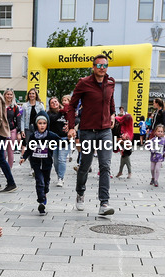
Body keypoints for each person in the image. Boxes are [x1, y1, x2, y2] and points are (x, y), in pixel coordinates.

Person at [67, 55, 116, 215]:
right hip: (87, 131)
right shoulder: (84, 83)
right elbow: (72, 106)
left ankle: (104, 203)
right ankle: (80, 193)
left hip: (105, 131)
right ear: (93, 67)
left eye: (105, 65)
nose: (102, 68)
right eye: (99, 65)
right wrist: (71, 127)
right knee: (85, 166)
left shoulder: (111, 83)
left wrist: (113, 115)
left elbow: (111, 103)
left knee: (105, 166)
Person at [20, 115, 61, 213]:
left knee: (46, 182)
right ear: (36, 124)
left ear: (47, 124)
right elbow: (29, 148)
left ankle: (44, 193)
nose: (42, 125)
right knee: (39, 182)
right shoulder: (33, 136)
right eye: (40, 123)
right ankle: (41, 202)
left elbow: (61, 142)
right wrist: (24, 157)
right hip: (36, 162)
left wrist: (69, 139)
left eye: (44, 123)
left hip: (47, 163)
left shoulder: (51, 135)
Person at [43, 96, 69, 187]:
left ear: (59, 102)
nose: (54, 103)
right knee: (56, 161)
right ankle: (59, 175)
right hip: (53, 140)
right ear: (50, 105)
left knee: (62, 159)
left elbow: (75, 119)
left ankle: (61, 178)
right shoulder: (49, 114)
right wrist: (61, 111)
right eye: (52, 102)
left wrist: (69, 126)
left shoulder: (66, 112)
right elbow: (53, 120)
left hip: (64, 139)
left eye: (56, 101)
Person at [113, 109, 135, 179]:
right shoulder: (122, 124)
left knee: (125, 157)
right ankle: (123, 172)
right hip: (122, 144)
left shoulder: (118, 121)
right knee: (124, 157)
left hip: (123, 145)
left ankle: (124, 172)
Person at [148, 123, 165, 187]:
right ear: (155, 132)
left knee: (157, 169)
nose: (160, 133)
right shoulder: (153, 140)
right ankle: (153, 177)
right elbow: (148, 146)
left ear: (163, 132)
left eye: (161, 131)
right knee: (152, 169)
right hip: (153, 157)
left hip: (160, 157)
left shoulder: (164, 140)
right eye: (158, 131)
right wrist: (152, 150)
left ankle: (156, 180)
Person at [4, 89, 21, 169]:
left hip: (12, 130)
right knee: (3, 151)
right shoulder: (1, 105)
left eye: (11, 94)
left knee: (10, 151)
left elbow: (18, 119)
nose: (9, 96)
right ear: (5, 95)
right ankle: (3, 166)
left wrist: (19, 132)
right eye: (8, 94)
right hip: (2, 131)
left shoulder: (15, 107)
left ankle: (9, 169)